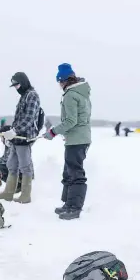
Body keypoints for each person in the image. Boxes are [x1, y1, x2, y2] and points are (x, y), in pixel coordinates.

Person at [43, 63, 92, 220]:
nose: (59, 85)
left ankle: (74, 208)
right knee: (68, 171)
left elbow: (71, 121)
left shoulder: (71, 95)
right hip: (79, 139)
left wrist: (53, 131)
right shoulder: (81, 93)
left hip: (77, 140)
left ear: (63, 80)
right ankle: (68, 204)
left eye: (59, 82)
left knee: (75, 172)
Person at [0, 72, 40, 204]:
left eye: (17, 84)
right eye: (14, 86)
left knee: (25, 167)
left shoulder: (32, 96)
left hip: (24, 138)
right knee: (11, 165)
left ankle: (25, 196)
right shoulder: (24, 96)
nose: (16, 88)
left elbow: (29, 119)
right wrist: (10, 133)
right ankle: (8, 193)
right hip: (16, 138)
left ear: (24, 82)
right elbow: (19, 118)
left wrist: (15, 131)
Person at [0, 125, 22, 192]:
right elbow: (4, 158)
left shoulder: (13, 144)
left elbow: (10, 161)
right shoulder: (8, 143)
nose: (1, 140)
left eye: (1, 137)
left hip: (18, 175)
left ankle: (17, 186)